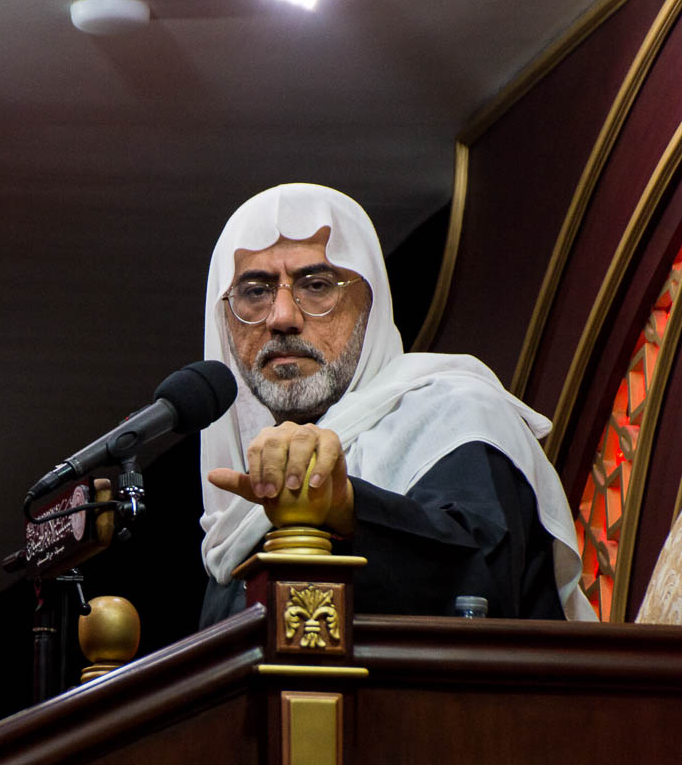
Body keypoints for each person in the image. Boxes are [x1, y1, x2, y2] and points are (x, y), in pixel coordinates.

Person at [199, 183, 594, 623]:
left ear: (371, 305)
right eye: (256, 292)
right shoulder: (237, 510)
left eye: (317, 285)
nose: (283, 317)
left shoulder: (455, 414)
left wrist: (348, 508)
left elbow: (483, 585)